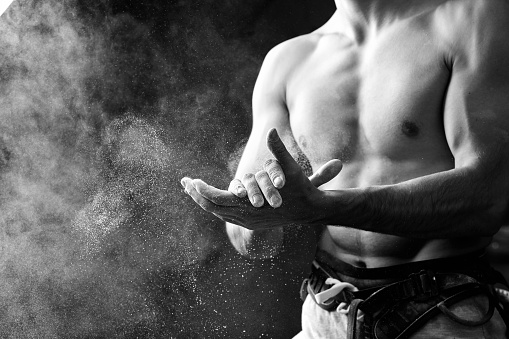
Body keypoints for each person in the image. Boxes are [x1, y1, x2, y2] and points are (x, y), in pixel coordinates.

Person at [181, 0, 509, 337]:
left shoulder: (471, 18)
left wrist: (326, 208)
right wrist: (251, 213)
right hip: (326, 313)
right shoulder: (288, 61)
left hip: (442, 311)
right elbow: (251, 239)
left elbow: (489, 199)